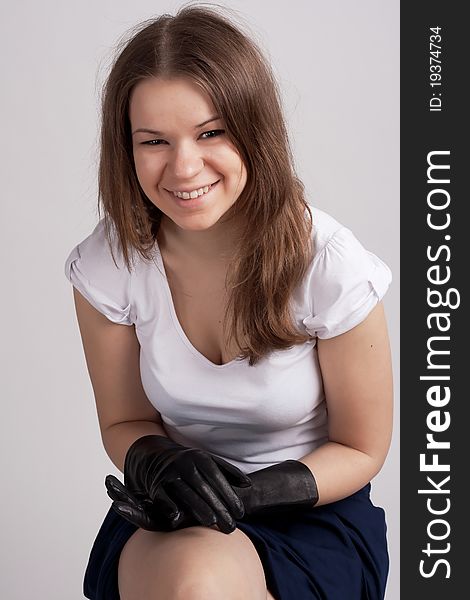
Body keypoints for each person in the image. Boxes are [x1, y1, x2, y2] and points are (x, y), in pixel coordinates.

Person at [64, 4, 394, 599]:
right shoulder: (108, 262)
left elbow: (362, 448)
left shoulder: (330, 264)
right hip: (175, 509)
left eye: (211, 132)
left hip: (313, 510)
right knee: (193, 584)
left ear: (254, 128)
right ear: (127, 149)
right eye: (154, 141)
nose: (184, 166)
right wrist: (158, 462)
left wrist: (250, 493)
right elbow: (123, 421)